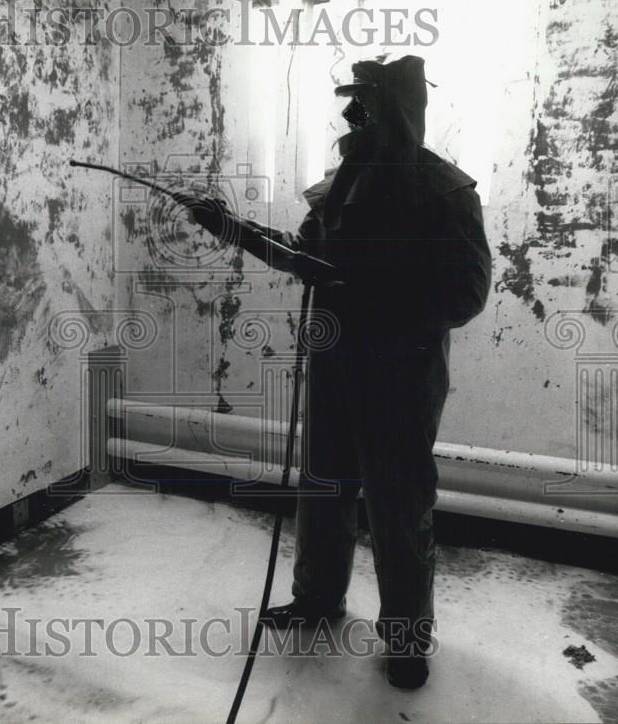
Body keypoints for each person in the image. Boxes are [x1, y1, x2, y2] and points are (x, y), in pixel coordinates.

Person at [185, 55, 491, 689]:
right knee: (323, 489)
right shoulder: (337, 187)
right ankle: (317, 598)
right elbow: (302, 256)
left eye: (367, 103)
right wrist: (232, 228)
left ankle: (406, 640)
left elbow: (465, 295)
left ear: (398, 112)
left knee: (399, 508)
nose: (351, 115)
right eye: (351, 102)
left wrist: (376, 292)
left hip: (401, 378)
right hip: (334, 368)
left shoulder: (445, 192)